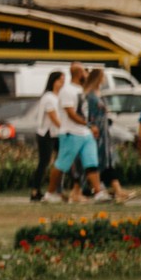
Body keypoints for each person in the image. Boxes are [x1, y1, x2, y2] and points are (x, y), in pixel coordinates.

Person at [55, 63, 112, 203]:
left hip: (85, 133)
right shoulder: (67, 90)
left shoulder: (82, 90)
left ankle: (98, 192)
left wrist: (90, 127)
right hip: (71, 133)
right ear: (79, 74)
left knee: (91, 161)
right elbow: (71, 114)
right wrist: (89, 125)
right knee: (62, 165)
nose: (87, 75)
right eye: (85, 73)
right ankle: (51, 193)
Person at [81, 68, 129, 203]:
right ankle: (109, 189)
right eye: (102, 77)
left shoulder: (98, 93)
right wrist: (91, 126)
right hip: (96, 133)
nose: (104, 80)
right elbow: (88, 114)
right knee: (99, 160)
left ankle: (114, 189)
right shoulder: (90, 95)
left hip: (104, 132)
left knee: (106, 160)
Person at [31, 70, 64, 203]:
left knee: (62, 161)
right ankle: (35, 190)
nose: (62, 83)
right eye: (60, 80)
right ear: (53, 82)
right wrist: (66, 128)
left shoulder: (59, 96)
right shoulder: (48, 97)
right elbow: (53, 117)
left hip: (56, 134)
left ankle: (57, 189)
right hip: (46, 134)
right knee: (44, 162)